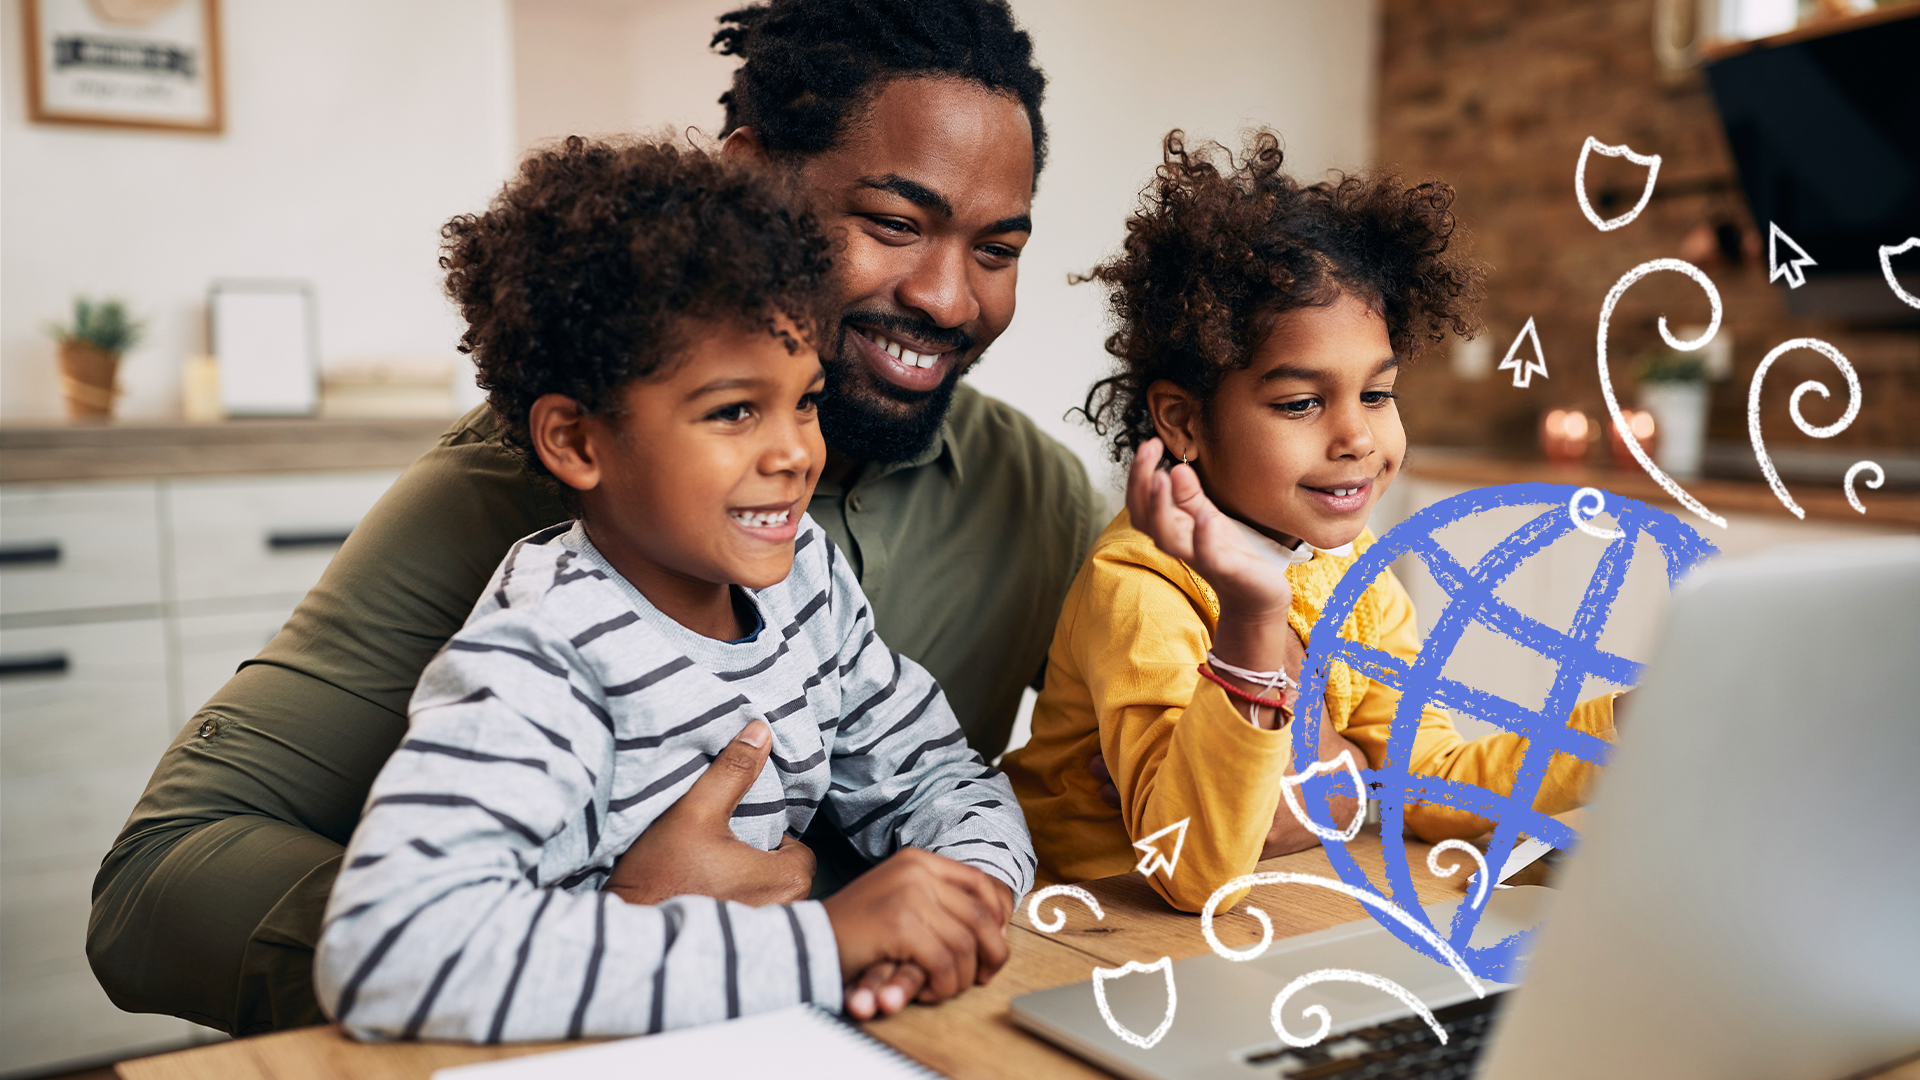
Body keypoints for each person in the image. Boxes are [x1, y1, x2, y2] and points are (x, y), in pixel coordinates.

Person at [90, 0, 1100, 1035]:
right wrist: (608, 932)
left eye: (998, 248)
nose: (946, 298)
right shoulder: (533, 571)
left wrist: (935, 899)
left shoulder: (1005, 506)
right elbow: (155, 888)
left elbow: (1035, 791)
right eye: (893, 223)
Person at [316, 139, 1033, 1040]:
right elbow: (389, 952)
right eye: (735, 411)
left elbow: (938, 776)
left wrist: (959, 901)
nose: (795, 454)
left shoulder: (804, 578)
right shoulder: (549, 648)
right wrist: (821, 943)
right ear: (577, 443)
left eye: (804, 400)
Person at [999, 131, 1621, 912]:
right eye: (1300, 403)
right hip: (1092, 929)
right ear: (1183, 421)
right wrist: (1257, 620)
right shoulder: (1138, 585)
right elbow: (1192, 868)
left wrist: (1622, 730)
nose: (1358, 436)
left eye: (1378, 394)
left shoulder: (1353, 570)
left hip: (1268, 909)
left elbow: (1424, 781)